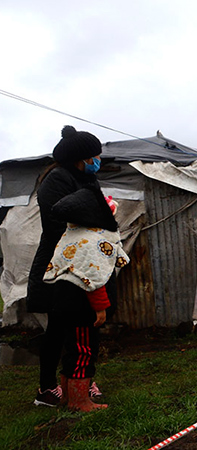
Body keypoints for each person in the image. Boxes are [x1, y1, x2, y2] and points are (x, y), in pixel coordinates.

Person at [27, 125, 117, 411]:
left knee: (83, 326)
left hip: (84, 258)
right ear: (81, 158)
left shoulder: (87, 179)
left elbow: (98, 212)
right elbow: (63, 220)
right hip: (63, 262)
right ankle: (47, 387)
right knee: (60, 328)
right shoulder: (56, 180)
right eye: (95, 155)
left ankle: (80, 378)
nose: (98, 160)